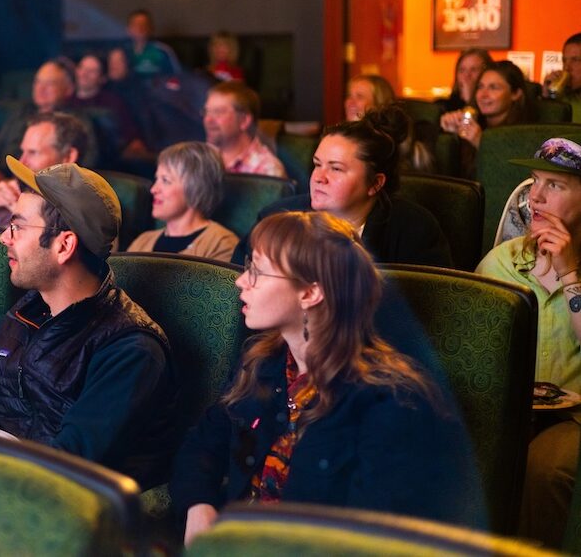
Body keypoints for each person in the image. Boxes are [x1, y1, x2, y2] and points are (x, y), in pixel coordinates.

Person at [172, 210, 481, 545]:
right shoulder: (263, 360)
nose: (241, 281)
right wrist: (199, 507)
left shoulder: (393, 401)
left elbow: (371, 541)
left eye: (258, 272)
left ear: (310, 293)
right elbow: (202, 444)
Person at [0, 157, 180, 488]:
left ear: (64, 245)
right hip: (10, 485)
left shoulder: (132, 348)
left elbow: (68, 464)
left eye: (17, 225)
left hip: (75, 510)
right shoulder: (26, 312)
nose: (4, 237)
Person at [476, 137, 581, 548]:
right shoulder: (503, 260)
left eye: (554, 185)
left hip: (574, 416)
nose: (535, 196)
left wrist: (570, 274)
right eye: (535, 181)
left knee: (543, 468)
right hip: (508, 408)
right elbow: (471, 343)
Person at [231, 107, 451, 267]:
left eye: (336, 169)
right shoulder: (275, 219)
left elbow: (428, 318)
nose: (319, 178)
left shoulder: (416, 231)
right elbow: (239, 294)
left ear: (375, 183)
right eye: (317, 165)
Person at [0, 60, 97, 186]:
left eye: (50, 84)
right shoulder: (21, 113)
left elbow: (86, 165)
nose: (41, 88)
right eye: (37, 82)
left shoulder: (78, 121)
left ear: (68, 89)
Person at [0, 112, 87, 227]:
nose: (22, 162)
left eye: (33, 152)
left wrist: (21, 216)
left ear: (68, 156)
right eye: (23, 152)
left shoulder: (82, 213)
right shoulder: (14, 194)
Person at [128, 142, 238, 262]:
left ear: (196, 188)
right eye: (157, 179)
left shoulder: (221, 244)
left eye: (165, 180)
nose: (153, 189)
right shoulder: (143, 241)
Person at [439, 60, 531, 177]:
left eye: (494, 88)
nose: (483, 94)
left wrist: (482, 143)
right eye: (480, 87)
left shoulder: (526, 134)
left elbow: (512, 177)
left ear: (516, 94)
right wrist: (452, 135)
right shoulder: (474, 122)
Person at [203, 81, 286, 178]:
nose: (208, 120)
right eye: (206, 112)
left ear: (244, 120)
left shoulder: (268, 171)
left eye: (218, 112)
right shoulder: (199, 159)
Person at [68, 53, 140, 162]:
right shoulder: (65, 101)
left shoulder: (113, 103)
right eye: (81, 67)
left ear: (102, 78)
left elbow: (129, 138)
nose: (84, 74)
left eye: (92, 71)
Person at [124, 9, 181, 79]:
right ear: (128, 30)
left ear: (151, 29)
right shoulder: (121, 53)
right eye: (136, 25)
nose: (140, 28)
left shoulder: (162, 51)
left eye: (144, 24)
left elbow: (176, 77)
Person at [439, 48, 493, 113]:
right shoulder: (444, 106)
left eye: (473, 70)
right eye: (462, 70)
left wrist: (469, 100)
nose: (466, 75)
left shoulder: (491, 104)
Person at [542, 32, 581, 123]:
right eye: (564, 61)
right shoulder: (560, 97)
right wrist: (546, 95)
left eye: (575, 60)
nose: (566, 68)